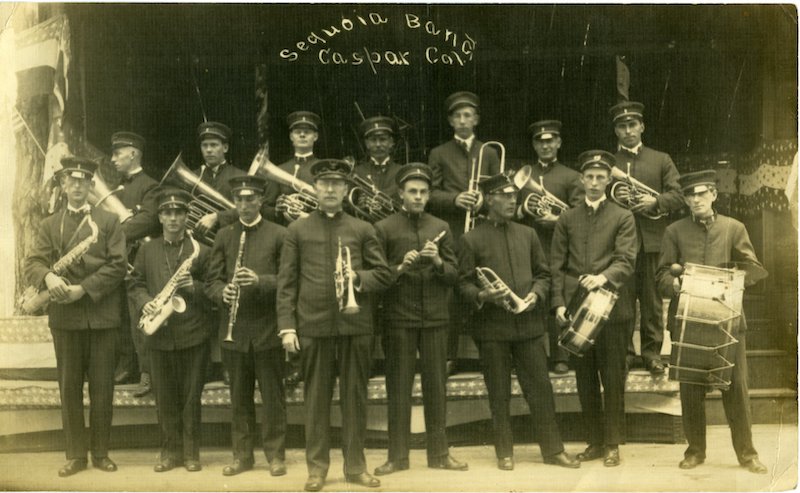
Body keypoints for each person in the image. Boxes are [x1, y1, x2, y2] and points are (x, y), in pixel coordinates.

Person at [277, 159, 391, 492]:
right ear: (315, 188)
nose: (329, 189)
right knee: (316, 401)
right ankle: (317, 470)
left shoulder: (362, 228)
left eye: (336, 184)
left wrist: (357, 277)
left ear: (345, 190)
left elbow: (384, 274)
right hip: (313, 325)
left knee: (355, 399)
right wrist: (287, 327)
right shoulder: (296, 230)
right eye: (324, 183)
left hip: (355, 326)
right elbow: (286, 283)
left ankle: (355, 467)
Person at [459, 172, 580, 472]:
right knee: (498, 393)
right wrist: (484, 295)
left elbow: (543, 274)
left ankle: (553, 450)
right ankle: (504, 452)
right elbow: (462, 285)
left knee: (540, 389)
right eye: (506, 196)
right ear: (490, 200)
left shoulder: (527, 234)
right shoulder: (470, 239)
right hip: (492, 329)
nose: (513, 200)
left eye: (514, 195)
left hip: (528, 327)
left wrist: (537, 296)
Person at [655, 170, 768, 474]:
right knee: (691, 389)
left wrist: (730, 276)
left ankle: (747, 454)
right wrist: (676, 285)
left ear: (714, 195)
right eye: (690, 195)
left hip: (727, 322)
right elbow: (662, 276)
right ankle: (695, 451)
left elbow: (754, 269)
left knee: (736, 389)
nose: (696, 200)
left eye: (702, 194)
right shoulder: (674, 232)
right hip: (689, 320)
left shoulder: (734, 228)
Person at [24, 157, 127, 477]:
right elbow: (33, 263)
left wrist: (84, 288)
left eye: (84, 181)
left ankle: (100, 452)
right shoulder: (48, 224)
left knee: (102, 388)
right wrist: (49, 278)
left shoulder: (109, 221)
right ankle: (75, 455)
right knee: (69, 388)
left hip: (101, 316)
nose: (78, 186)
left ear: (90, 185)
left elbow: (118, 265)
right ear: (64, 185)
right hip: (65, 318)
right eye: (72, 181)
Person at [372, 163, 467, 475]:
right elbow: (377, 278)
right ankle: (397, 457)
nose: (418, 197)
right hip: (399, 319)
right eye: (412, 191)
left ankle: (439, 454)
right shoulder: (384, 228)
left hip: (436, 320)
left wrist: (437, 260)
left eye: (423, 192)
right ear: (401, 193)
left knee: (435, 388)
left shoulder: (441, 226)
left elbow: (455, 275)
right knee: (398, 388)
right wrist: (401, 266)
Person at [550, 151, 637, 467]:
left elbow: (626, 260)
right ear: (582, 180)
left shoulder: (623, 216)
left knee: (612, 378)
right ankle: (595, 442)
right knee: (585, 380)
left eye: (601, 176)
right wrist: (558, 303)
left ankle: (612, 443)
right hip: (576, 308)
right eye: (590, 176)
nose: (595, 182)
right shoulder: (567, 218)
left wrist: (603, 277)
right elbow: (556, 265)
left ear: (609, 179)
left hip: (611, 308)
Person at [205, 175, 288, 477]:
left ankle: (275, 456)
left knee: (273, 397)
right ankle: (242, 456)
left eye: (250, 199)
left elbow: (289, 281)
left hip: (268, 330)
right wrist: (221, 292)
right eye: (239, 200)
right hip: (235, 331)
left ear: (260, 201)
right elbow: (212, 280)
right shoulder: (224, 235)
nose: (244, 205)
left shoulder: (279, 234)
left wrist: (260, 281)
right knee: (239, 397)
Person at [127, 189, 212, 472]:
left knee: (191, 399)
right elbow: (135, 283)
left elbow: (214, 289)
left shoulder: (201, 250)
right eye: (168, 213)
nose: (173, 218)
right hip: (159, 334)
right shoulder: (147, 249)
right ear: (160, 217)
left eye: (179, 213)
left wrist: (195, 288)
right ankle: (169, 453)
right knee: (164, 399)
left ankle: (191, 454)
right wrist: (145, 302)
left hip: (193, 334)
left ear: (187, 217)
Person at [428, 91, 501, 376]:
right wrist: (455, 199)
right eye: (457, 116)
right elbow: (430, 193)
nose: (462, 120)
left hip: (484, 228)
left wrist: (484, 201)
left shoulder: (490, 151)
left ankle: (490, 352)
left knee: (484, 287)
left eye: (467, 115)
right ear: (450, 121)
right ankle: (449, 355)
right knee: (452, 292)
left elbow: (500, 188)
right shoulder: (439, 153)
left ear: (476, 119)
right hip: (455, 231)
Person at [610, 101, 683, 375]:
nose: (628, 130)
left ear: (642, 126)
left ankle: (652, 354)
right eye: (622, 126)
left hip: (653, 242)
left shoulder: (660, 159)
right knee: (623, 303)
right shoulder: (609, 163)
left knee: (652, 302)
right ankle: (627, 354)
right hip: (621, 245)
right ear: (616, 131)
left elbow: (678, 195)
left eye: (632, 125)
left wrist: (653, 203)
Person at [517, 119, 584, 375]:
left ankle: (560, 356)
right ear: (534, 145)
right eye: (539, 142)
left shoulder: (571, 176)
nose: (545, 146)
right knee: (532, 294)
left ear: (558, 143)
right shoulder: (527, 175)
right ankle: (532, 355)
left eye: (550, 141)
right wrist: (523, 209)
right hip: (530, 244)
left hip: (558, 244)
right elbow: (512, 209)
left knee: (558, 295)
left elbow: (578, 214)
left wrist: (557, 220)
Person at [193, 121, 245, 386]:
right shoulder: (195, 176)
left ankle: (226, 364)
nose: (209, 150)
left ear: (225, 147)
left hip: (229, 249)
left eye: (214, 145)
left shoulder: (237, 176)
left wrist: (218, 216)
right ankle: (204, 365)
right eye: (205, 145)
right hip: (201, 252)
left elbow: (251, 208)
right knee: (201, 307)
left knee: (227, 308)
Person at [109, 131, 160, 396]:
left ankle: (147, 373)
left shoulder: (150, 186)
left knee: (139, 317)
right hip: (117, 260)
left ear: (133, 153)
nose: (113, 158)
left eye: (118, 153)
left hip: (139, 259)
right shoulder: (116, 188)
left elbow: (149, 220)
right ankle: (126, 366)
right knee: (119, 315)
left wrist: (114, 231)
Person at [264, 110, 322, 227]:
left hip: (318, 231)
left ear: (315, 137)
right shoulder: (279, 170)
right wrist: (276, 210)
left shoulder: (322, 168)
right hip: (287, 233)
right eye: (297, 132)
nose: (302, 135)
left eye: (307, 132)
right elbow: (265, 208)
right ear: (291, 137)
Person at [351, 115, 404, 217]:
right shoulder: (357, 172)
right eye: (373, 140)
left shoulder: (401, 172)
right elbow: (348, 207)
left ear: (391, 142)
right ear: (367, 144)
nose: (378, 144)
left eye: (383, 139)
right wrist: (358, 206)